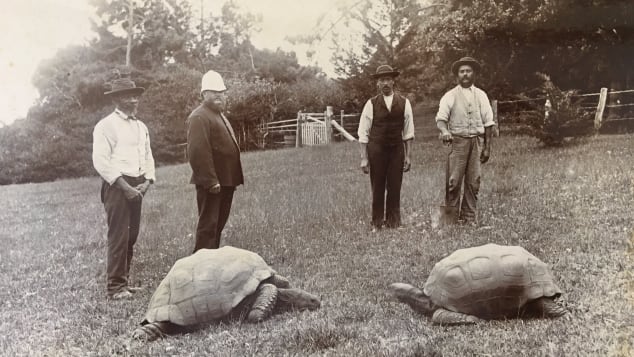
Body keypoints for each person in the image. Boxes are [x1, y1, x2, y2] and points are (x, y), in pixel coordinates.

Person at [92, 77, 155, 300]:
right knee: (118, 235)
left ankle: (124, 282)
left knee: (132, 235)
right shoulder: (106, 126)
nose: (134, 99)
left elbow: (148, 155)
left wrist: (148, 181)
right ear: (117, 99)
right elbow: (101, 161)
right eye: (128, 95)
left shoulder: (141, 126)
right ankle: (115, 287)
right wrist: (125, 187)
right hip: (117, 186)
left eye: (136, 95)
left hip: (137, 184)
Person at [186, 70, 243, 252]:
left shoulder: (218, 115)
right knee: (208, 228)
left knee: (217, 226)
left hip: (226, 180)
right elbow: (197, 152)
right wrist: (211, 181)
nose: (219, 95)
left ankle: (212, 264)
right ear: (204, 94)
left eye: (222, 92)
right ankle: (200, 267)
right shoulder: (199, 116)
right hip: (213, 183)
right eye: (214, 92)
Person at [435, 56, 495, 225]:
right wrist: (445, 131)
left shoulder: (481, 95)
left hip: (476, 142)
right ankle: (450, 219)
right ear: (457, 75)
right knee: (453, 182)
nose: (465, 74)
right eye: (462, 72)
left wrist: (487, 147)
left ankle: (469, 219)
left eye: (468, 71)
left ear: (473, 73)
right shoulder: (450, 96)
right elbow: (440, 119)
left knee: (474, 181)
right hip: (458, 143)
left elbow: (489, 122)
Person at [358, 65, 414, 230]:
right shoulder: (371, 104)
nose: (385, 83)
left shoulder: (404, 103)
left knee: (395, 185)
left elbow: (409, 132)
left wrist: (408, 156)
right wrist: (364, 158)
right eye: (382, 80)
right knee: (378, 186)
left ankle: (394, 222)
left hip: (396, 150)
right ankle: (376, 222)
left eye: (388, 79)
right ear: (377, 83)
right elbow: (363, 132)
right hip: (377, 150)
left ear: (393, 81)